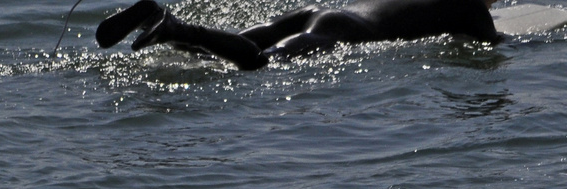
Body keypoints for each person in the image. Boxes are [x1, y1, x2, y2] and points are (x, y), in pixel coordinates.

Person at [95, 0, 500, 69]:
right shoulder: (469, 7)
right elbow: (495, 44)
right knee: (257, 63)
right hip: (341, 32)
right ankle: (178, 29)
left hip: (321, 12)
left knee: (225, 49)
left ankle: (157, 18)